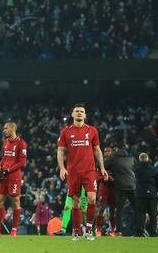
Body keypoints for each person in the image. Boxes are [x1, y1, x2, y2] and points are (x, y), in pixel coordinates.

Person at [57, 103, 108, 241]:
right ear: (72, 114)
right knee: (75, 202)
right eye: (77, 111)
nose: (79, 113)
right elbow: (60, 151)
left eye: (82, 111)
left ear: (85, 115)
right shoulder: (65, 132)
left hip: (90, 170)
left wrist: (102, 167)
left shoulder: (92, 130)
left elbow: (97, 150)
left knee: (92, 198)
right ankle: (77, 232)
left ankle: (89, 229)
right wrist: (62, 168)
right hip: (73, 172)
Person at [0, 122, 28, 238]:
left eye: (6, 128)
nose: (4, 130)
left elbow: (22, 162)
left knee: (15, 201)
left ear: (12, 129)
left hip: (14, 177)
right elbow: (4, 158)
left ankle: (14, 230)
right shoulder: (5, 142)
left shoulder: (21, 143)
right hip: (3, 176)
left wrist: (8, 170)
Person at [106, 145, 136, 235]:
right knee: (137, 209)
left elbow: (102, 165)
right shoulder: (131, 158)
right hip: (132, 186)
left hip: (120, 187)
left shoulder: (114, 159)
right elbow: (136, 167)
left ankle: (118, 230)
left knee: (119, 210)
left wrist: (110, 171)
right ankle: (139, 229)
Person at [134, 153, 158, 237]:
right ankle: (153, 232)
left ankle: (140, 233)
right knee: (153, 214)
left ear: (140, 160)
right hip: (152, 195)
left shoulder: (136, 170)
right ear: (148, 159)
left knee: (140, 214)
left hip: (140, 195)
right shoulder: (154, 170)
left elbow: (132, 181)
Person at [95, 146, 116, 236]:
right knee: (101, 208)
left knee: (113, 210)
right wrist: (104, 177)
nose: (106, 153)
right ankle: (98, 229)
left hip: (113, 188)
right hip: (103, 187)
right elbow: (96, 175)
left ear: (112, 152)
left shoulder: (116, 162)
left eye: (108, 151)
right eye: (105, 151)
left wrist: (114, 178)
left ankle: (113, 230)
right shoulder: (99, 162)